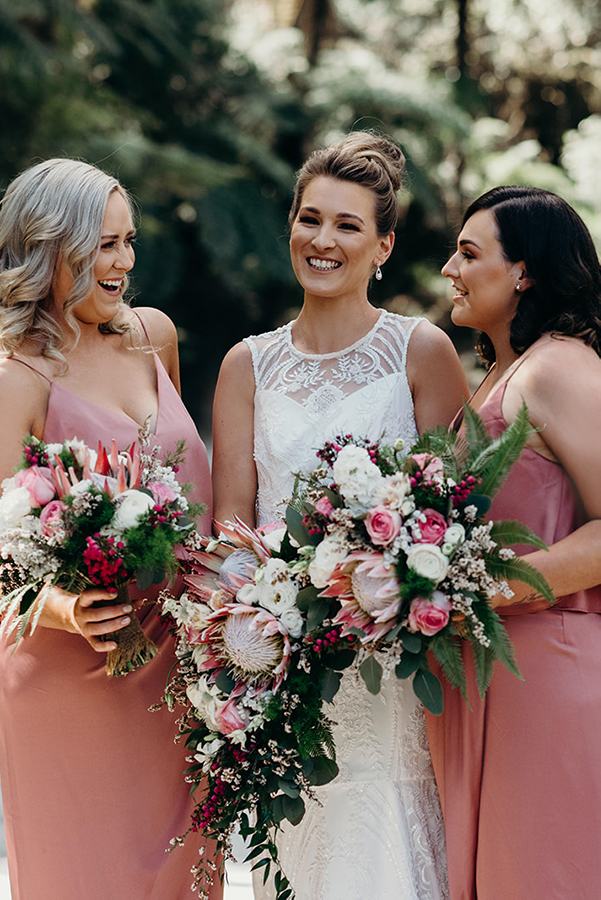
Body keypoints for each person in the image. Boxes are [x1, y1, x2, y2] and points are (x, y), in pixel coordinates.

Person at [212, 132, 468, 900]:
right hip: (283, 673)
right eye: (309, 218)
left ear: (382, 244)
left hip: (390, 675)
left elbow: (451, 518)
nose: (323, 241)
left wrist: (383, 588)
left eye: (347, 225)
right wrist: (252, 632)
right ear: (290, 223)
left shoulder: (421, 352)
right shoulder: (244, 364)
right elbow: (232, 528)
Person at [0, 159, 221, 899]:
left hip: (186, 670)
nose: (123, 261)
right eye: (102, 245)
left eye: (128, 242)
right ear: (48, 249)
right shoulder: (14, 377)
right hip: (76, 674)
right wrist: (64, 605)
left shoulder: (152, 336)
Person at [425, 185, 601, 900]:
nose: (448, 269)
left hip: (547, 677)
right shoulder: (502, 371)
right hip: (492, 678)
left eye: (468, 253)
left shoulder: (560, 366)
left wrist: (485, 588)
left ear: (523, 272)